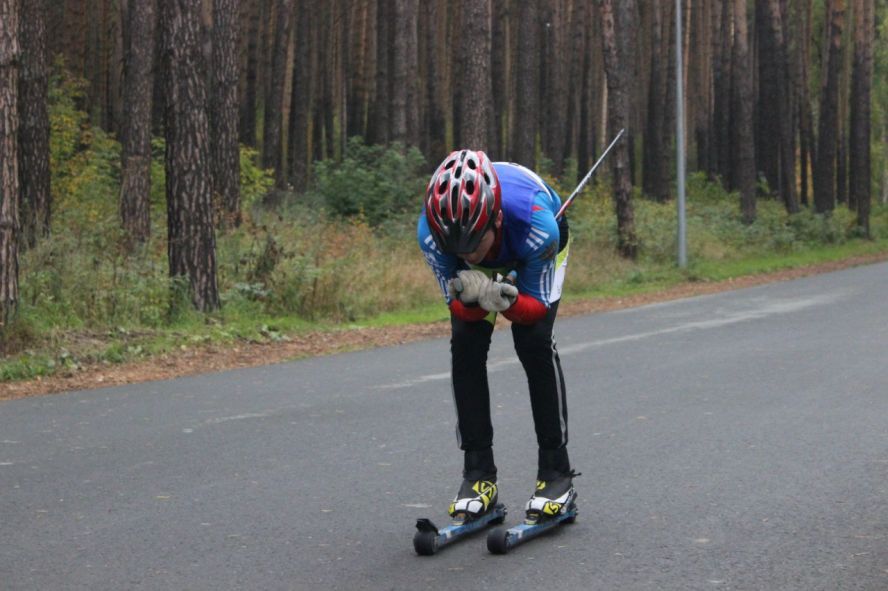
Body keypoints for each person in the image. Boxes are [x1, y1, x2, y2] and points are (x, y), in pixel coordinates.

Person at [417, 149, 577, 523]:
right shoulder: (432, 234)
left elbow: (534, 309)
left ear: (496, 217)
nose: (469, 255)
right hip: (495, 235)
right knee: (466, 346)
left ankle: (556, 473)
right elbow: (457, 308)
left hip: (529, 246)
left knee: (533, 343)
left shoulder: (540, 226)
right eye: (459, 249)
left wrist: (508, 301)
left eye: (476, 243)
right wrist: (472, 300)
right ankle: (478, 476)